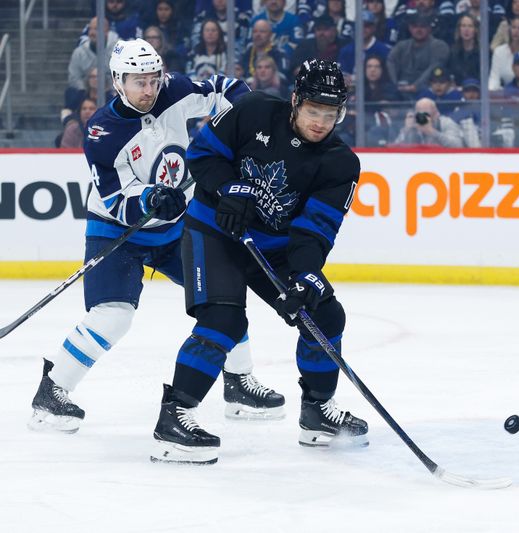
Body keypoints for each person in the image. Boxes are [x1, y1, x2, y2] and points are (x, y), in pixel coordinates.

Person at [29, 39, 284, 434]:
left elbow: (224, 91)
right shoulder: (102, 132)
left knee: (225, 296)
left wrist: (251, 124)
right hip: (118, 232)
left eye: (152, 80)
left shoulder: (176, 90)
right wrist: (149, 199)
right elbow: (116, 201)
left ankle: (238, 383)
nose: (148, 90)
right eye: (138, 82)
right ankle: (53, 391)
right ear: (118, 81)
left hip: (176, 228)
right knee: (113, 316)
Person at [150, 59, 366, 464]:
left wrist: (305, 277)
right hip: (214, 230)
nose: (321, 122)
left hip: (276, 248)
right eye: (313, 111)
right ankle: (174, 417)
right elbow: (202, 154)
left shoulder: (340, 163)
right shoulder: (252, 110)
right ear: (296, 101)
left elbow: (315, 231)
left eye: (330, 114)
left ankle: (317, 412)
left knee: (324, 315)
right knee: (224, 320)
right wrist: (226, 188)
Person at [393, 97, 469, 147]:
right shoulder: (413, 124)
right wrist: (406, 130)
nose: (423, 118)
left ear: (436, 114)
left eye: (426, 114)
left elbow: (457, 146)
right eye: (420, 114)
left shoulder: (446, 123)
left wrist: (432, 131)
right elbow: (393, 149)